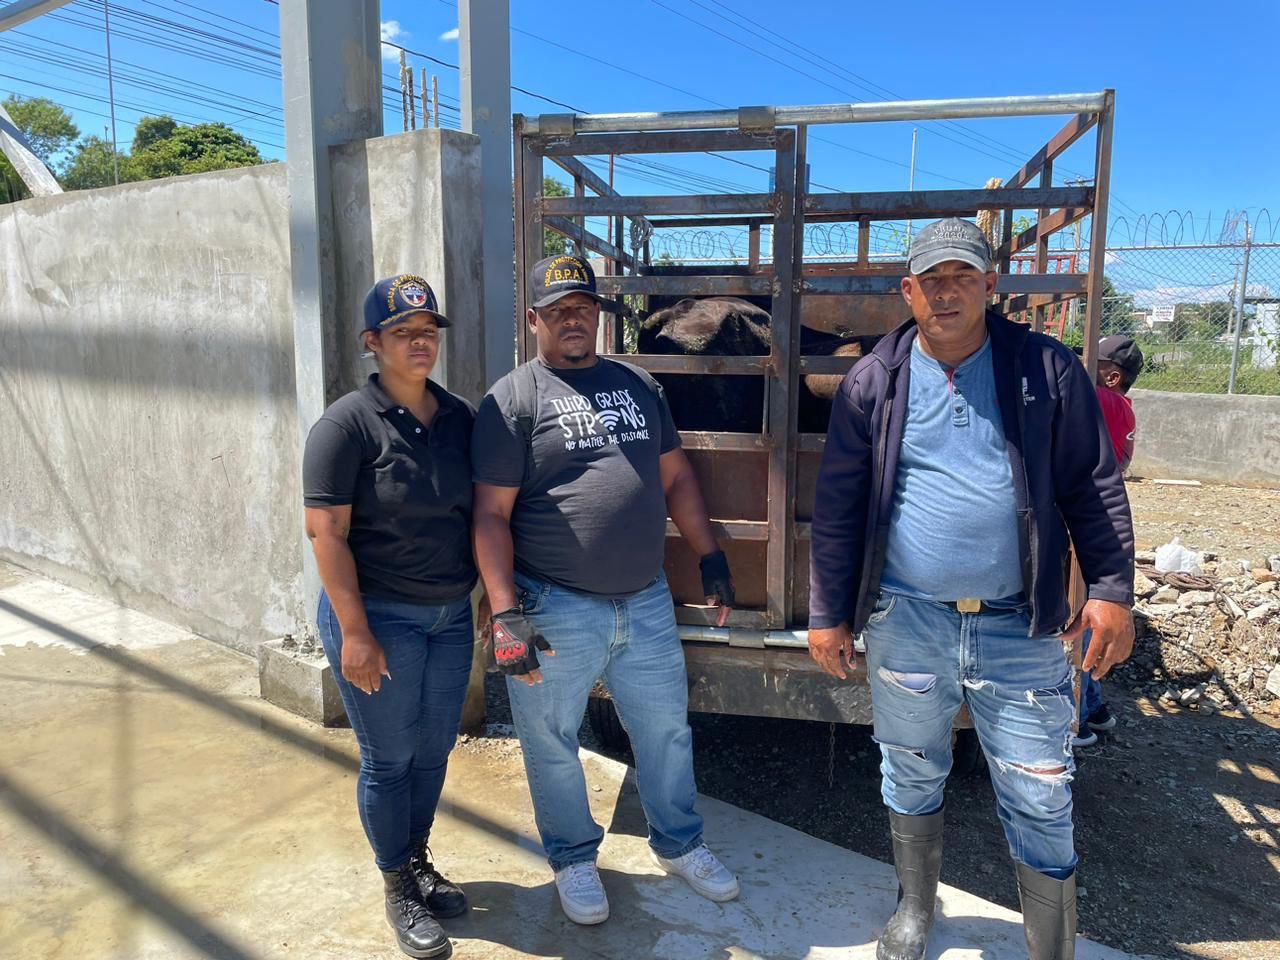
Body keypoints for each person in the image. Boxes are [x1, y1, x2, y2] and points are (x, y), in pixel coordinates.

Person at [808, 219, 1135, 960]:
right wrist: (829, 612)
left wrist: (1112, 587)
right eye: (932, 280)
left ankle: (1050, 949)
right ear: (908, 291)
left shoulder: (1045, 369)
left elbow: (1092, 485)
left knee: (1040, 788)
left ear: (990, 286)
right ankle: (913, 911)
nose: (946, 292)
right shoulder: (875, 380)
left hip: (1020, 627)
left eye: (962, 277)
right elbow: (839, 507)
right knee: (910, 767)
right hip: (907, 621)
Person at [471, 254, 739, 925]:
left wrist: (709, 554)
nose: (573, 319)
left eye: (583, 308)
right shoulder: (513, 400)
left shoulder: (638, 384)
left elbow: (675, 478)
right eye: (558, 309)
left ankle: (680, 844)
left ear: (598, 315)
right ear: (533, 318)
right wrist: (505, 612)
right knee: (552, 740)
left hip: (645, 600)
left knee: (666, 730)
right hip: (554, 604)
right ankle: (572, 857)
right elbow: (491, 515)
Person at [303, 275, 477, 960]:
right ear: (372, 342)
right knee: (390, 758)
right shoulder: (345, 426)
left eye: (428, 331)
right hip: (378, 616)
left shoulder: (459, 418)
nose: (419, 342)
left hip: (448, 615)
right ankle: (397, 885)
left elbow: (479, 515)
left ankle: (417, 858)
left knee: (434, 751)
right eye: (404, 332)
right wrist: (354, 632)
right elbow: (327, 534)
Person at [1073, 334, 1144, 747]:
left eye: (1090, 362)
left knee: (1082, 618)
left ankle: (1079, 721)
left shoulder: (1102, 399)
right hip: (1100, 513)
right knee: (1087, 615)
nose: (1080, 367)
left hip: (1091, 516)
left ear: (1112, 376)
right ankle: (1096, 707)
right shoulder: (1121, 405)